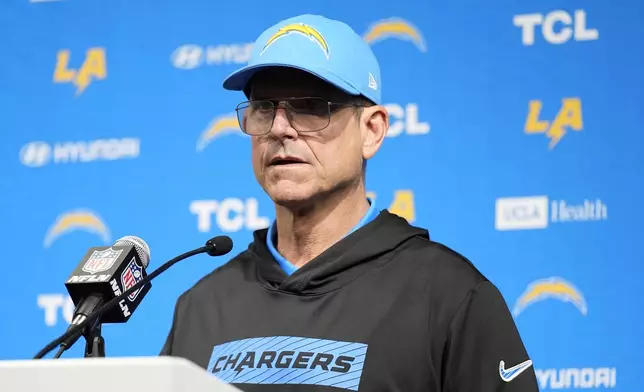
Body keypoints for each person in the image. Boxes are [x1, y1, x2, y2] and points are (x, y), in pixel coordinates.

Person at [160, 14, 539, 392]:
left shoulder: (450, 297)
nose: (278, 128)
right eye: (263, 107)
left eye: (309, 106)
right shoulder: (201, 306)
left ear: (371, 130)